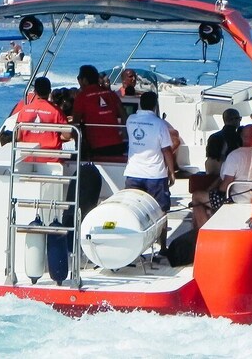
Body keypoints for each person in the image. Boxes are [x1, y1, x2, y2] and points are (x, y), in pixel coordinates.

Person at [123, 91, 175, 253]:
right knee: (161, 210)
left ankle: (133, 246)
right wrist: (172, 172)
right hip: (155, 174)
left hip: (133, 172)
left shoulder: (130, 121)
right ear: (155, 105)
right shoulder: (160, 124)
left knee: (133, 209)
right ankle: (163, 247)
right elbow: (166, 150)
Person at [192, 124, 252, 229]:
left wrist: (215, 191)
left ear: (241, 137)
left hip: (236, 199)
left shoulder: (235, 155)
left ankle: (204, 232)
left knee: (196, 196)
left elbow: (224, 186)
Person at [72, 64, 128, 158]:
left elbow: (75, 124)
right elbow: (124, 117)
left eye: (79, 78)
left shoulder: (81, 97)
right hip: (117, 143)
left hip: (96, 146)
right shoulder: (111, 94)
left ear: (85, 80)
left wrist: (78, 145)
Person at [15, 77, 71, 152]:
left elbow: (18, 137)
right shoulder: (56, 111)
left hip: (27, 156)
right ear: (49, 91)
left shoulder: (24, 110)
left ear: (34, 91)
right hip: (51, 156)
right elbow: (67, 136)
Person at [204, 108, 242, 175]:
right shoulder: (239, 136)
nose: (240, 121)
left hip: (216, 173)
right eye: (239, 118)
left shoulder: (213, 137)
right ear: (233, 119)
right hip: (233, 173)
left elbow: (210, 160)